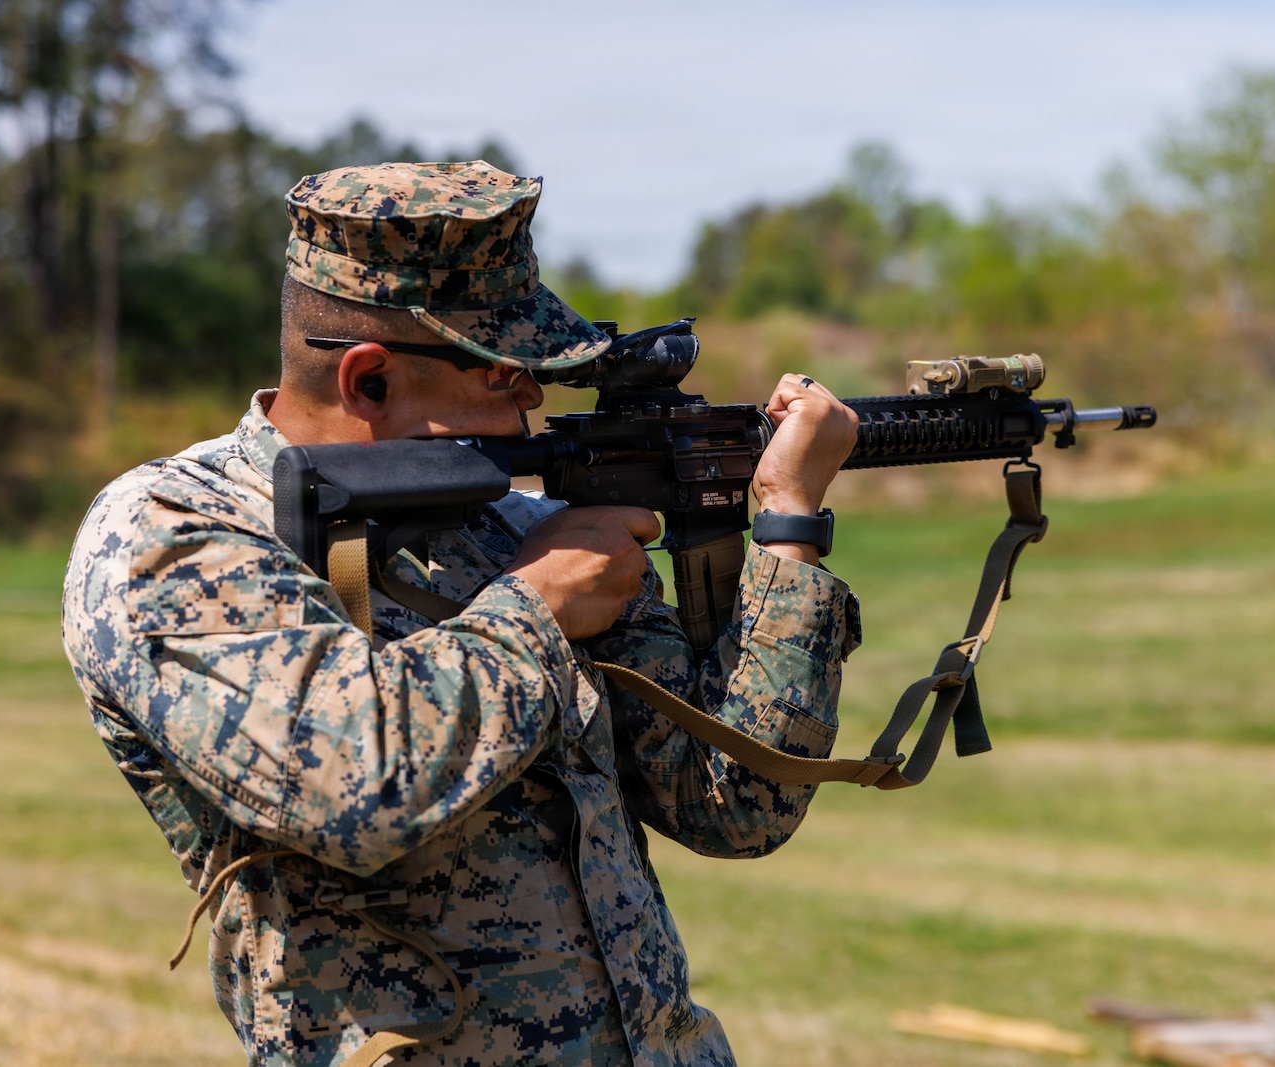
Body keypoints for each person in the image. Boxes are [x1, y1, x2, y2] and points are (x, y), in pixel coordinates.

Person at [62, 160, 861, 1067]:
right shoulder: (171, 532)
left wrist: (787, 526)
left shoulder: (519, 527)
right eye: (506, 373)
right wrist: (534, 610)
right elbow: (355, 785)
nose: (534, 401)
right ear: (369, 380)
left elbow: (736, 804)